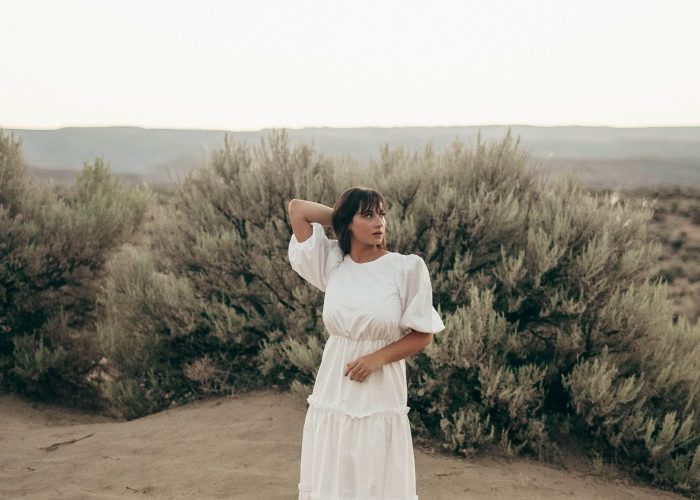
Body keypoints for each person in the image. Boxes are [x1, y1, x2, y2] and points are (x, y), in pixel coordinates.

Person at [287, 186, 446, 499]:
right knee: (335, 471)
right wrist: (343, 215)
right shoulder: (333, 262)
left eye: (382, 215)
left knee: (374, 473)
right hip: (335, 386)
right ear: (347, 222)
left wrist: (377, 358)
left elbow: (422, 334)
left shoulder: (406, 268)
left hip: (379, 389)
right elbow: (297, 209)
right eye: (369, 215)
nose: (379, 223)